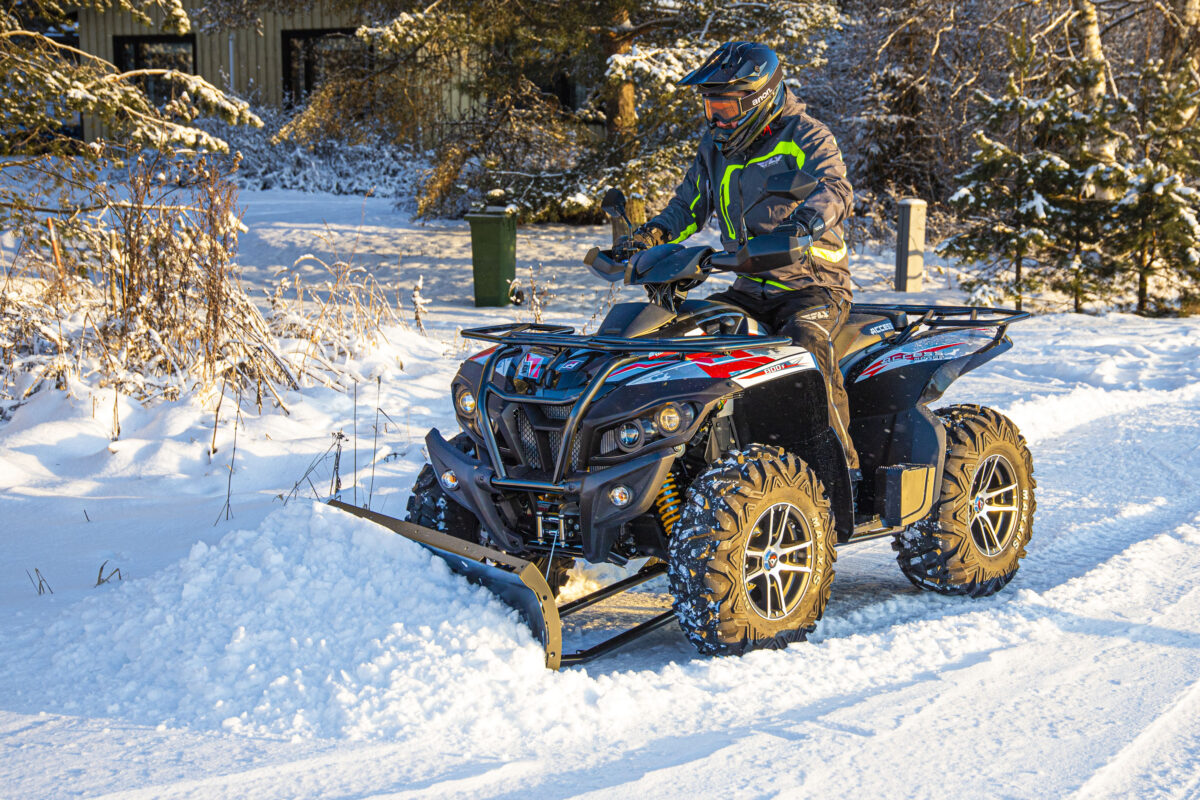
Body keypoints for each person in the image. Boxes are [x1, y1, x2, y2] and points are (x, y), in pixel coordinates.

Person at [618, 40, 859, 472]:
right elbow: (688, 205)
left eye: (725, 108)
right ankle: (681, 459)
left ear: (760, 98)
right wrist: (651, 235)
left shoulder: (806, 134)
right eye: (710, 108)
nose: (716, 119)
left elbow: (834, 189)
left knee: (806, 350)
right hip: (748, 286)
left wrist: (802, 226)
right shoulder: (714, 148)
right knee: (679, 335)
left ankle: (840, 469)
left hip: (813, 288)